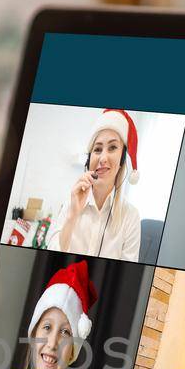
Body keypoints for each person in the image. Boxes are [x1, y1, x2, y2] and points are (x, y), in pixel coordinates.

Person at [49, 108, 142, 262]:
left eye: (112, 147)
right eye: (97, 149)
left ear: (122, 161)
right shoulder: (71, 203)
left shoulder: (130, 217)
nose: (103, 158)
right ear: (89, 159)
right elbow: (52, 258)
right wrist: (72, 216)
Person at [1, 260, 95, 369]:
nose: (52, 343)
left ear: (72, 352)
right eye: (47, 327)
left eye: (65, 332)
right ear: (33, 336)